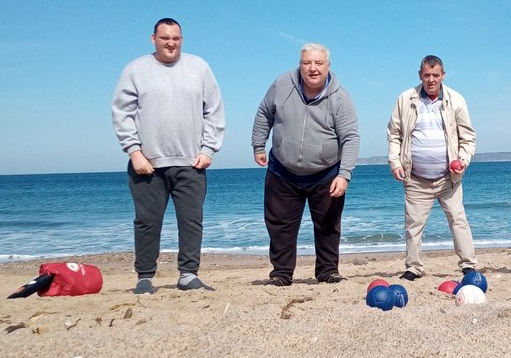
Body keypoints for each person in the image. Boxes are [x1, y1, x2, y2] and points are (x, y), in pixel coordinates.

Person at [112, 18, 225, 294]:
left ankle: (188, 274)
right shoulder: (136, 70)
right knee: (147, 221)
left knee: (191, 221)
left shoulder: (198, 67)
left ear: (182, 39)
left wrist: (209, 149)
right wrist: (135, 152)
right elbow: (121, 113)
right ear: (153, 39)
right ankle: (145, 277)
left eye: (175, 38)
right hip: (148, 165)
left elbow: (214, 109)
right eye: (165, 38)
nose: (171, 43)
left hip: (191, 163)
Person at [252, 43, 359, 286]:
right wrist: (258, 145)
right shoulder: (282, 84)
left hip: (326, 174)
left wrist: (344, 175)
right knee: (280, 226)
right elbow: (264, 113)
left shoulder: (340, 97)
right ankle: (281, 273)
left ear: (327, 66)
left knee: (328, 226)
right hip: (283, 170)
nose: (312, 69)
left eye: (318, 63)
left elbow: (351, 137)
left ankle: (327, 271)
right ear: (300, 65)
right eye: (307, 63)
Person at [387, 55, 478, 281]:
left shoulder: (456, 100)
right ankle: (414, 268)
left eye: (435, 75)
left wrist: (463, 160)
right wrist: (395, 162)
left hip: (449, 178)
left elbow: (468, 138)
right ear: (420, 75)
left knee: (458, 221)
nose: (431, 80)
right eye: (426, 75)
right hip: (416, 178)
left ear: (443, 76)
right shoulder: (405, 99)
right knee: (413, 226)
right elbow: (394, 134)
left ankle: (468, 265)